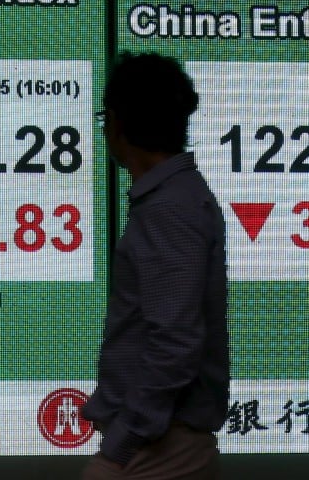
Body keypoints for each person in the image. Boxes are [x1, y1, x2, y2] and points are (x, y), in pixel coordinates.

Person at [81, 51, 230, 480]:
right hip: (159, 442)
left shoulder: (170, 208)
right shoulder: (176, 198)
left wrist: (120, 447)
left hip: (158, 448)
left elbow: (175, 344)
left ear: (115, 122)